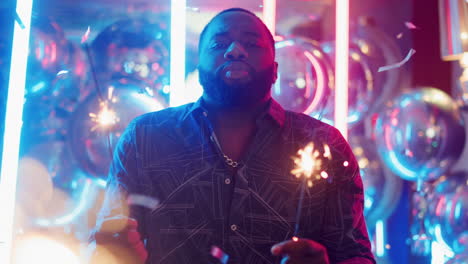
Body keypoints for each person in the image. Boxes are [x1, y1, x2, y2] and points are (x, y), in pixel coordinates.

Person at [88, 7, 376, 264]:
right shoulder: (145, 138)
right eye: (219, 43)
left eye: (251, 43)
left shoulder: (325, 145)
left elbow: (357, 256)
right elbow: (107, 241)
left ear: (275, 71)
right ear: (199, 70)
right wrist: (113, 255)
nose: (235, 50)